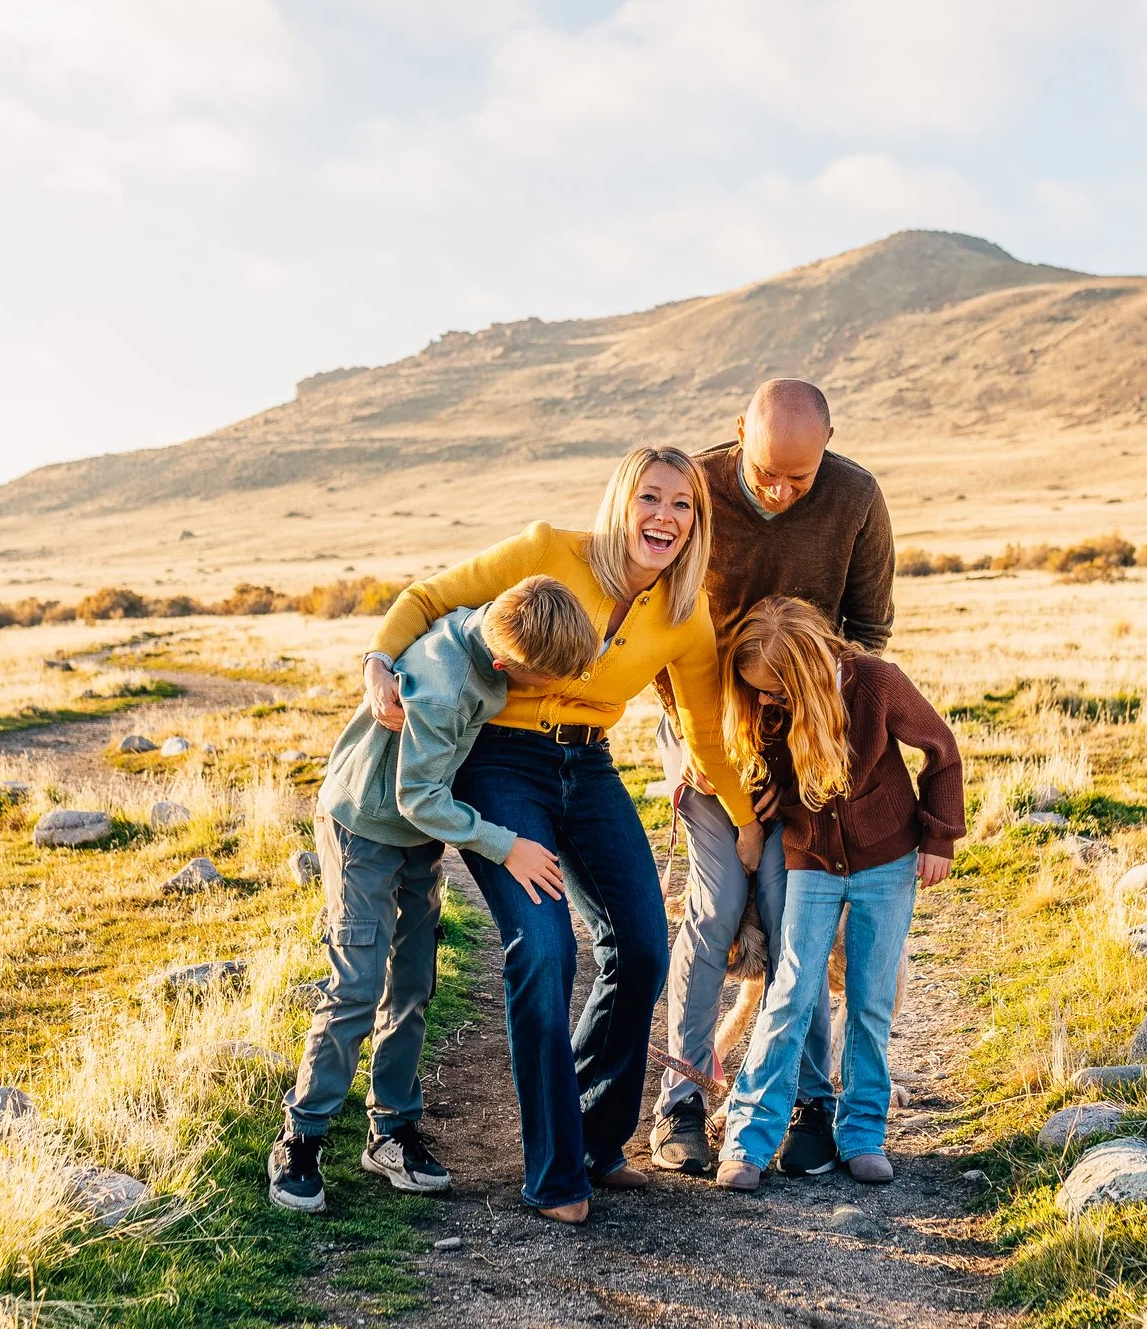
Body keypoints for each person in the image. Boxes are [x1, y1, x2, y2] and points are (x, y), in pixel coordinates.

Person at [361, 447, 759, 1223]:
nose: (665, 517)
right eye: (651, 498)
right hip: (501, 761)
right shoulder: (548, 551)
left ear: (697, 522)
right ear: (622, 501)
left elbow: (707, 733)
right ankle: (552, 1174)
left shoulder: (685, 611)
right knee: (544, 947)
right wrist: (378, 659)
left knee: (642, 945)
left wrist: (746, 821)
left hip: (591, 768)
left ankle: (594, 1141)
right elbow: (428, 595)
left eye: (683, 505)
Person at [269, 575, 598, 1215]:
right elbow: (416, 798)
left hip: (419, 837)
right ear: (505, 664)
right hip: (365, 828)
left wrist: (377, 659)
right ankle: (302, 1136)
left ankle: (391, 1127)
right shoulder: (446, 690)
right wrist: (506, 845)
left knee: (414, 981)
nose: (548, 693)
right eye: (543, 682)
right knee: (357, 985)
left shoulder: (490, 621)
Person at [651, 377, 899, 1180]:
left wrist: (804, 751)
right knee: (719, 902)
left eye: (800, 477)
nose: (781, 491)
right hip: (702, 727)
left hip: (805, 731)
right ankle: (681, 1098)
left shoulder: (858, 498)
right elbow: (656, 622)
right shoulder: (696, 492)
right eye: (766, 473)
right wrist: (711, 757)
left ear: (829, 442)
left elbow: (868, 632)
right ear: (737, 436)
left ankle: (809, 1102)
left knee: (797, 909)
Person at [712, 595, 962, 1192]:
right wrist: (758, 793)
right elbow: (763, 765)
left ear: (806, 672)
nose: (766, 702)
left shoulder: (878, 685)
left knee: (873, 1000)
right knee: (791, 991)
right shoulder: (768, 705)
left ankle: (863, 1135)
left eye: (775, 691)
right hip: (812, 861)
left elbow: (942, 751)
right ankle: (747, 1139)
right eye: (758, 693)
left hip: (889, 861)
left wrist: (939, 837)